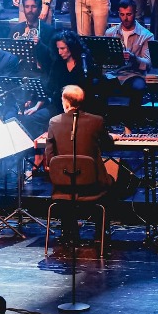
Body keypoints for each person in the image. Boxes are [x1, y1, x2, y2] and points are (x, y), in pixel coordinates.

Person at [39, 83, 119, 247]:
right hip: (92, 184)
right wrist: (112, 137)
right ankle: (101, 233)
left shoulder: (54, 122)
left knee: (69, 184)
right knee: (111, 181)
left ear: (65, 102)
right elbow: (107, 144)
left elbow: (49, 154)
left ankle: (69, 231)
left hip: (63, 184)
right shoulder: (97, 121)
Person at [104, 0, 154, 94]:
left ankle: (133, 110)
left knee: (138, 87)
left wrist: (134, 58)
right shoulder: (110, 33)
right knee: (96, 83)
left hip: (134, 74)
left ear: (135, 13)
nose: (125, 18)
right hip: (114, 74)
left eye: (129, 14)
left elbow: (148, 64)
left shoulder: (147, 35)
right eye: (122, 15)